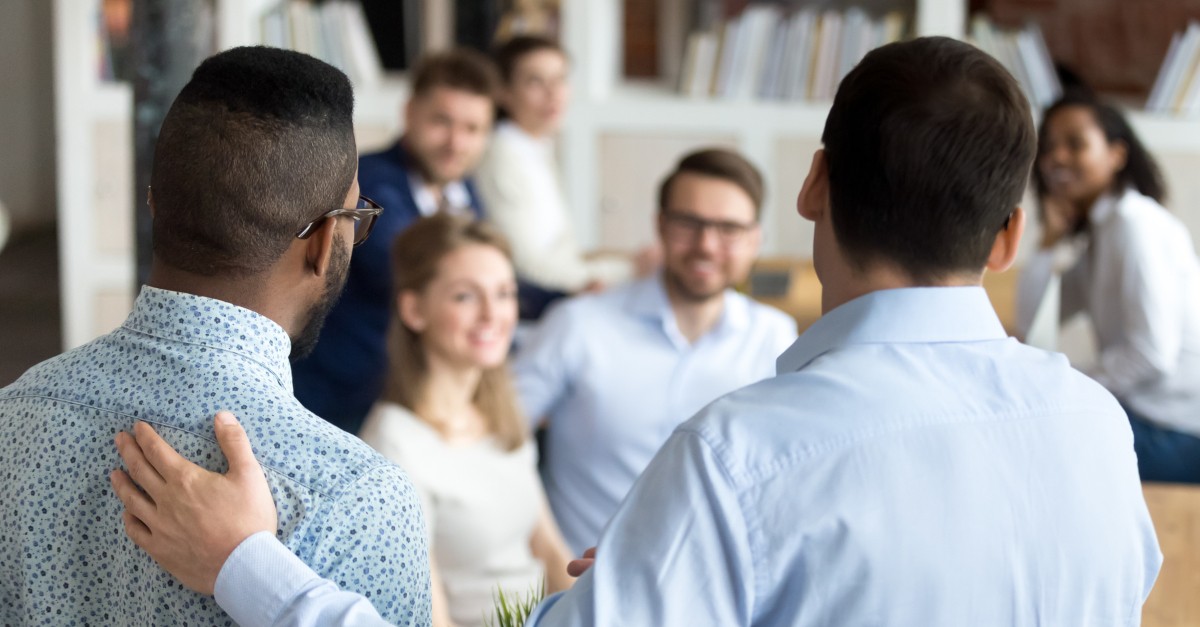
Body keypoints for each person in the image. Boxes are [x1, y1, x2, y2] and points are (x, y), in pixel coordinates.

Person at [110, 37, 1161, 626]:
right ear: (1012, 233)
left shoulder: (744, 459)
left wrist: (248, 561)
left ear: (809, 186)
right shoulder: (1097, 431)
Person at [0, 47, 431, 625]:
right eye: (358, 217)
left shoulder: (14, 412)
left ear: (156, 205)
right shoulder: (356, 497)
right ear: (325, 241)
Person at [513, 147, 797, 554]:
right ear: (660, 226)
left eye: (729, 229)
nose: (707, 245)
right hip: (585, 591)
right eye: (689, 223)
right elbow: (495, 442)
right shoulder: (578, 325)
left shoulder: (776, 339)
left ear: (756, 240)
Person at [356, 214, 574, 627]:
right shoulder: (394, 444)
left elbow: (548, 550)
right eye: (465, 297)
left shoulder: (502, 416)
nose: (493, 314)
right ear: (414, 310)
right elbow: (431, 617)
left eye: (505, 293)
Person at [293, 48, 499, 435]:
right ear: (409, 113)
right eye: (442, 121)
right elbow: (419, 272)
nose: (456, 142)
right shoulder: (367, 182)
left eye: (473, 129)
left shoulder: (463, 190)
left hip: (408, 397)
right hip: (340, 402)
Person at [1016, 91, 1200, 483]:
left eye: (1075, 144)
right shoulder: (1104, 233)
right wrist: (1049, 238)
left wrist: (1070, 384)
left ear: (1117, 154)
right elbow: (1032, 325)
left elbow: (1152, 354)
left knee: (1034, 445)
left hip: (1178, 431)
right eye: (1048, 148)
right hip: (1146, 415)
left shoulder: (1136, 226)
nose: (1056, 159)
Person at [474, 35, 657, 317]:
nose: (554, 93)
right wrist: (630, 269)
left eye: (560, 79)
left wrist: (630, 261)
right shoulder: (502, 157)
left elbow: (562, 250)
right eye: (536, 81)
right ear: (504, 92)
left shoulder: (534, 145)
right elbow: (528, 267)